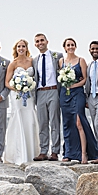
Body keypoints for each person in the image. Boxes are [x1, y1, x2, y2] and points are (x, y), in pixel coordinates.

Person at [58, 38, 98, 164]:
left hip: (77, 93)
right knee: (67, 124)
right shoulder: (61, 61)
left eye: (72, 45)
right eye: (68, 45)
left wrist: (74, 85)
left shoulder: (81, 60)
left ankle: (84, 153)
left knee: (79, 122)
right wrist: (66, 84)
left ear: (75, 47)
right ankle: (68, 152)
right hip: (65, 95)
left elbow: (85, 79)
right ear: (65, 48)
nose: (70, 47)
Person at [2, 39, 40, 165]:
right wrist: (18, 88)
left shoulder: (32, 61)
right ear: (16, 49)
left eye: (23, 46)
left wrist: (27, 87)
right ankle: (18, 154)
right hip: (17, 96)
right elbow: (7, 83)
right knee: (18, 119)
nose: (21, 48)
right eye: (19, 46)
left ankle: (31, 153)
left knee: (30, 119)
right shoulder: (13, 63)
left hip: (29, 95)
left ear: (26, 48)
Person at [32, 33, 62, 161]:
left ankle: (55, 151)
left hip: (53, 90)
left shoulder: (57, 56)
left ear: (47, 41)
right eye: (37, 41)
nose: (40, 43)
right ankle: (43, 150)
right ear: (35, 44)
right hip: (40, 92)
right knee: (42, 122)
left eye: (42, 40)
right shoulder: (35, 60)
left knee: (54, 121)